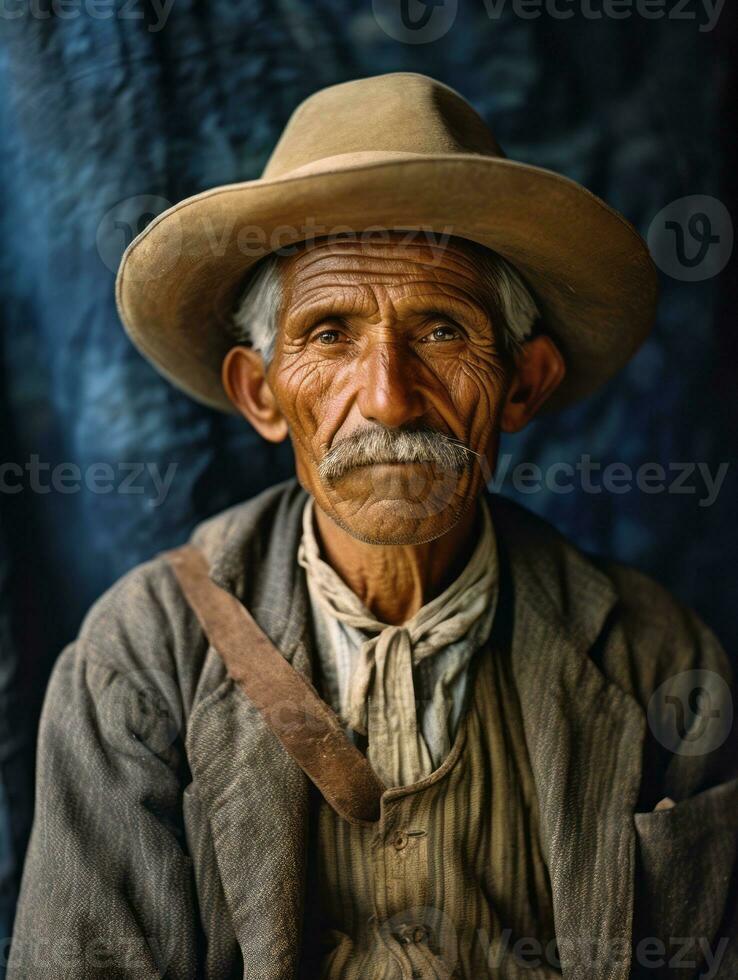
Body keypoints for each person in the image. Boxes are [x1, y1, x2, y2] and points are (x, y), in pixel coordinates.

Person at [9, 72, 736, 979]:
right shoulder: (145, 658)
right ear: (260, 393)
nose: (389, 401)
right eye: (328, 336)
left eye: (440, 331)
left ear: (524, 383)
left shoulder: (657, 660)